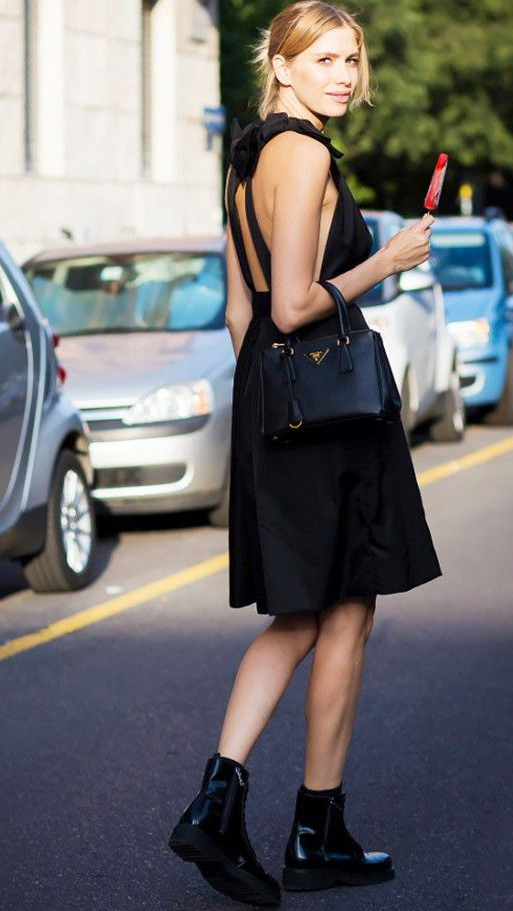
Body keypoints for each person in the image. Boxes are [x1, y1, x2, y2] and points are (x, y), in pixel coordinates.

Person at [168, 1, 443, 907]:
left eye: (351, 60)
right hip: (329, 409)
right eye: (324, 59)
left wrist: (267, 409)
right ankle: (307, 827)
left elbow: (240, 314)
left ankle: (231, 804)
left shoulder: (245, 159)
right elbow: (290, 306)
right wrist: (387, 260)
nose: (344, 76)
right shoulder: (308, 154)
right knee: (345, 608)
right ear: (281, 65)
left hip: (273, 405)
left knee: (309, 613)